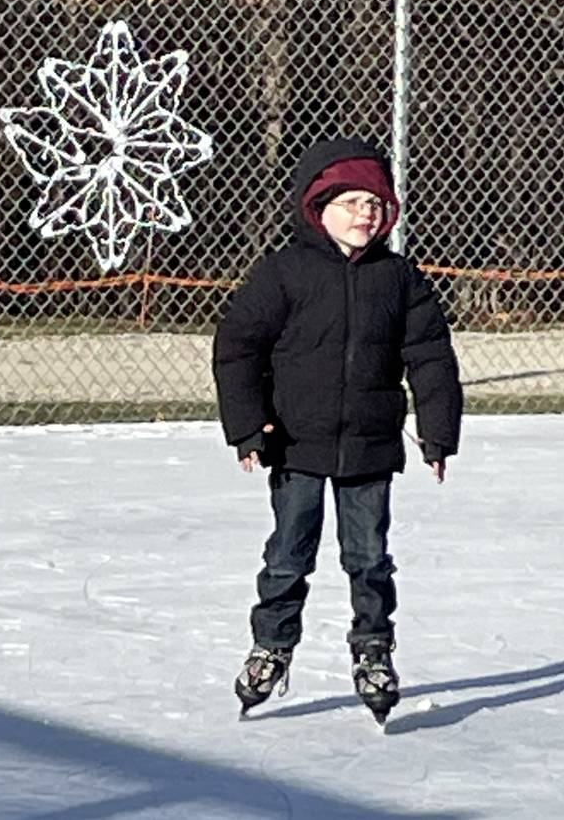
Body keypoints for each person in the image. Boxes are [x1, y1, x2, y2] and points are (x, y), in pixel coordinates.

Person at [213, 136, 462, 722]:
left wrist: (438, 431)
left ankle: (373, 648)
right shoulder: (285, 273)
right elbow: (237, 347)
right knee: (288, 556)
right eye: (350, 203)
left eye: (374, 205)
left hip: (372, 445)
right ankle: (272, 644)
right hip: (296, 442)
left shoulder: (400, 279)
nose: (363, 215)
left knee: (369, 557)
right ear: (318, 208)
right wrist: (249, 426)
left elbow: (431, 356)